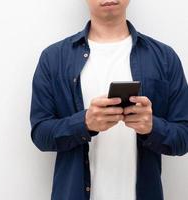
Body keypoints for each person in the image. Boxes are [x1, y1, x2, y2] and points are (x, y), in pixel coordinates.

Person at [29, 0, 188, 200]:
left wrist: (152, 127)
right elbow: (40, 135)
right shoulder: (53, 58)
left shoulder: (164, 57)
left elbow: (184, 138)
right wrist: (84, 123)